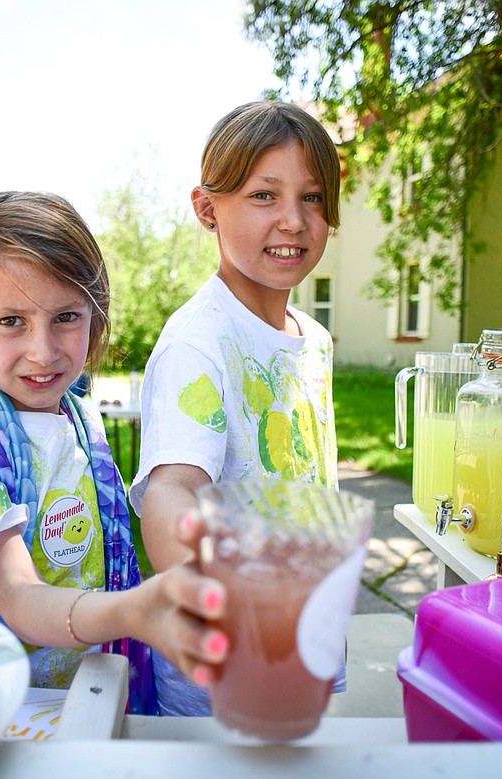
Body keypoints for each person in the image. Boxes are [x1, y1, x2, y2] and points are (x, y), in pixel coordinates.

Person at [0, 191, 228, 715]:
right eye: (11, 322)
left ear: (96, 313)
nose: (43, 351)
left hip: (92, 705)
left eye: (66, 316)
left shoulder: (79, 416)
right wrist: (135, 611)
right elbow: (19, 596)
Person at [129, 101, 343, 716]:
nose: (294, 221)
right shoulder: (199, 342)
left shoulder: (314, 339)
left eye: (313, 198)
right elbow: (173, 489)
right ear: (207, 210)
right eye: (263, 196)